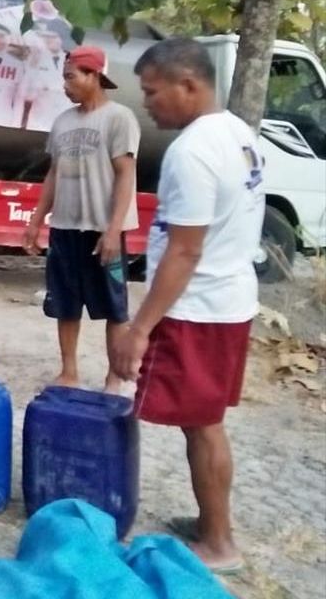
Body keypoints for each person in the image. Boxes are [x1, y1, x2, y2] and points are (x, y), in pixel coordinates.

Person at [110, 38, 264, 575]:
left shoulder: (193, 150)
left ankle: (219, 544)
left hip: (198, 309)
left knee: (201, 425)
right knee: (206, 421)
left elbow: (185, 248)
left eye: (152, 93)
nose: (146, 104)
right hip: (229, 300)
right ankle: (210, 526)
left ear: (189, 86)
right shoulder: (239, 135)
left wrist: (140, 328)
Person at [25, 45, 140, 393]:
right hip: (65, 229)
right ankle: (69, 372)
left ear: (94, 76)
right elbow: (53, 175)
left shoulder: (119, 118)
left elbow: (125, 174)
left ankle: (114, 378)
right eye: (64, 77)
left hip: (103, 231)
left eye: (70, 77)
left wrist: (113, 228)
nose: (64, 85)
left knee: (114, 307)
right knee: (65, 303)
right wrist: (36, 220)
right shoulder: (62, 122)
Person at [19, 19, 73, 129]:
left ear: (62, 38)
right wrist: (33, 66)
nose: (48, 40)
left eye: (53, 37)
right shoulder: (34, 59)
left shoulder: (72, 61)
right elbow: (25, 94)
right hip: (39, 123)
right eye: (46, 37)